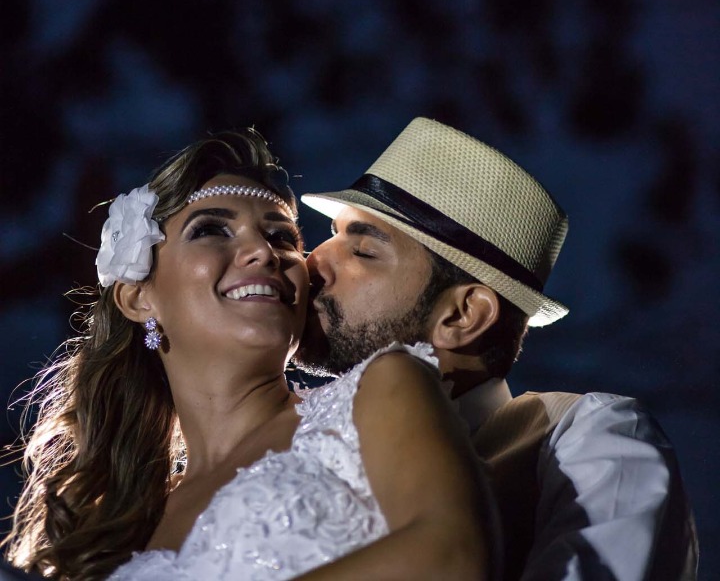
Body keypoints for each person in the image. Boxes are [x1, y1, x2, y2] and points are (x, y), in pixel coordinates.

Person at [3, 129, 494, 581]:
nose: (263, 251)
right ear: (138, 297)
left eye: (282, 237)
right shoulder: (116, 525)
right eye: (212, 230)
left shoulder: (381, 391)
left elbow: (452, 556)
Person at [297, 116, 699, 581]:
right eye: (330, 234)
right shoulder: (286, 429)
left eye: (364, 252)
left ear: (464, 315)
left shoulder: (587, 438)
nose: (314, 260)